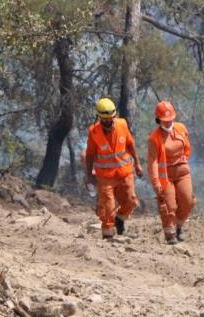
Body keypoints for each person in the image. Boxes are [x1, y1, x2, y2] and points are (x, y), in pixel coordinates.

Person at [84, 97, 143, 240]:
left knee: (131, 201)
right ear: (99, 117)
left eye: (111, 118)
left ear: (114, 115)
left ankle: (120, 219)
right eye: (105, 119)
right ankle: (108, 236)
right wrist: (89, 176)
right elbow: (90, 155)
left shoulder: (122, 124)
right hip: (105, 177)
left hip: (125, 173)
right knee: (108, 207)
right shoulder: (94, 132)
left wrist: (138, 163)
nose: (108, 121)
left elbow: (130, 144)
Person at [147, 100, 195, 244]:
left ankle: (178, 227)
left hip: (182, 172)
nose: (168, 123)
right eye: (164, 120)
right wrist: (155, 182)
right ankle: (170, 235)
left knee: (188, 201)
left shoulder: (181, 128)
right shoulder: (153, 138)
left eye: (170, 120)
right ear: (158, 120)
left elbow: (187, 148)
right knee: (169, 206)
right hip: (165, 176)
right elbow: (153, 162)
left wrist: (183, 160)